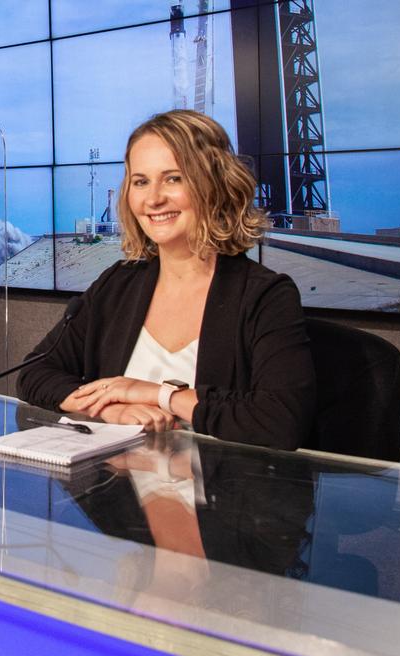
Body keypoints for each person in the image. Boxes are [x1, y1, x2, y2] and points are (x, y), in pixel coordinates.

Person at [16, 109, 315, 450]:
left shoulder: (265, 295)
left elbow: (281, 422)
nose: (154, 198)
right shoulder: (117, 285)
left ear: (215, 185)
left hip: (220, 482)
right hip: (118, 479)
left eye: (174, 179)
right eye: (141, 182)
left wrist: (159, 395)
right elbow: (34, 375)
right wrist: (110, 408)